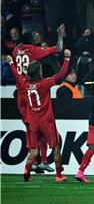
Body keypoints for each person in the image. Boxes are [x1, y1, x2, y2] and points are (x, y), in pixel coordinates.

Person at [7, 49, 71, 182]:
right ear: (39, 71)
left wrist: (11, 62)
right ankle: (59, 175)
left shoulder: (24, 83)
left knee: (33, 150)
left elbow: (16, 74)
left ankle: (26, 171)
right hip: (47, 121)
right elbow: (61, 74)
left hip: (33, 122)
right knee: (55, 147)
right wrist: (66, 59)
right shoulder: (44, 83)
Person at [12, 24, 65, 174]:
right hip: (34, 91)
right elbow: (58, 49)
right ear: (31, 40)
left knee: (31, 128)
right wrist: (60, 36)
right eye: (34, 37)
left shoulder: (16, 51)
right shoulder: (34, 51)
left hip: (22, 92)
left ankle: (37, 162)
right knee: (40, 126)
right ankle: (41, 161)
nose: (37, 38)